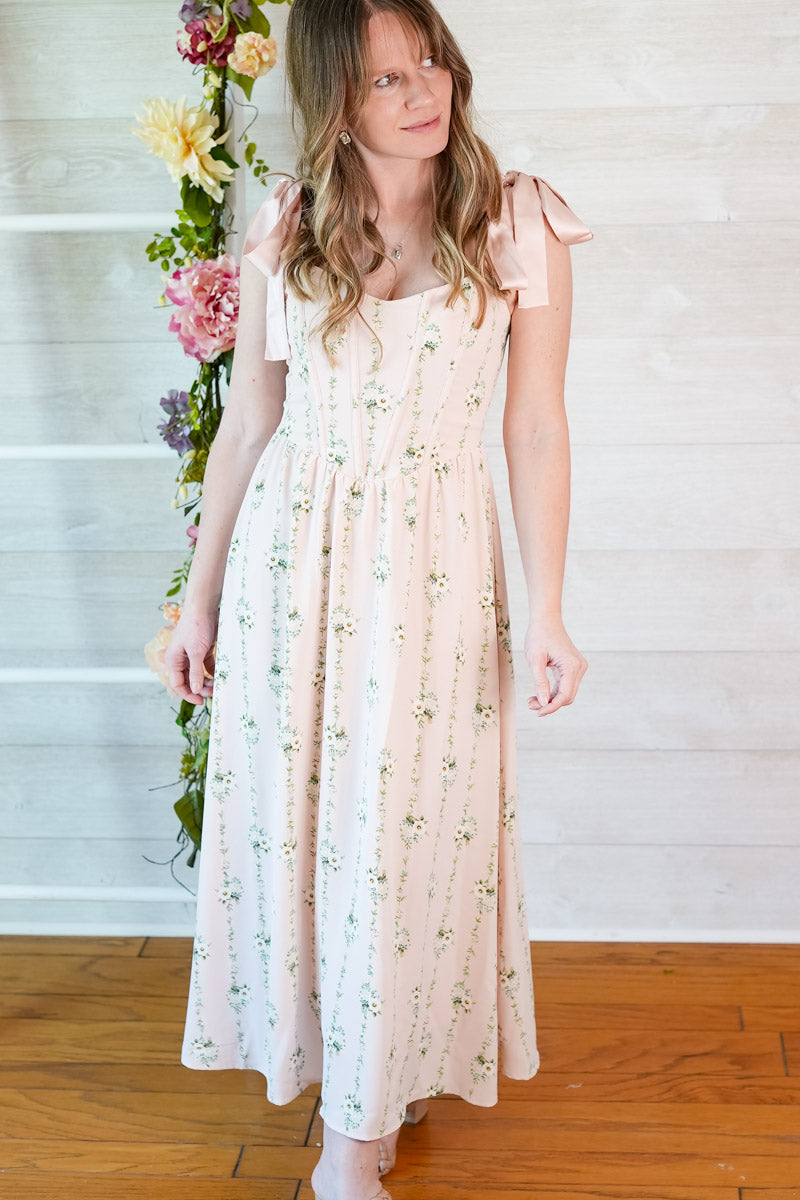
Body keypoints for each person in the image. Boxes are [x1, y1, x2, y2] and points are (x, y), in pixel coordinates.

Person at [167, 0, 592, 1196]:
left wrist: (548, 608)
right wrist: (197, 603)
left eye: (430, 63)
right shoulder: (288, 230)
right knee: (316, 832)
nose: (423, 93)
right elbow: (249, 424)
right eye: (384, 81)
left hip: (437, 573)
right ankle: (360, 1093)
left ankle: (354, 1138)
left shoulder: (515, 223)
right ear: (331, 107)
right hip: (290, 575)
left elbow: (537, 427)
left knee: (406, 832)